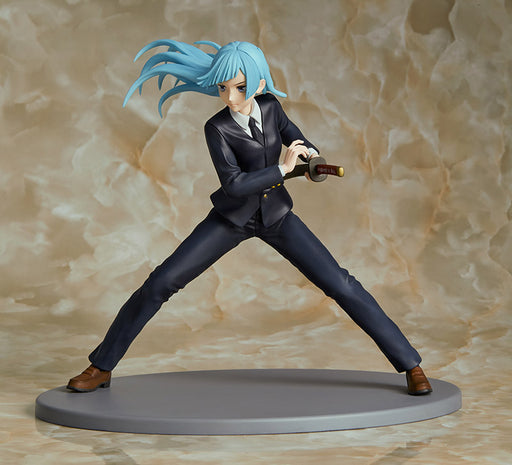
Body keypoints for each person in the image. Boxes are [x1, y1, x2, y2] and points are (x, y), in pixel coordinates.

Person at [67, 40, 432, 395]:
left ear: (259, 83)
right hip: (231, 219)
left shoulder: (271, 107)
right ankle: (101, 366)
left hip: (276, 216)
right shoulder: (217, 128)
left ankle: (410, 364)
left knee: (341, 283)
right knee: (160, 282)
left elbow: (294, 137)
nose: (230, 97)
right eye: (223, 88)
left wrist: (310, 157)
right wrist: (281, 169)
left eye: (240, 87)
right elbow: (234, 184)